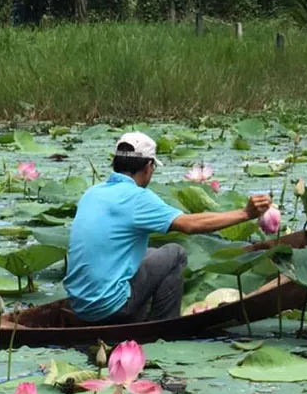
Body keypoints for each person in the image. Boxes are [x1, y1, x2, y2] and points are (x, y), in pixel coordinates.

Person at [63, 132, 272, 324]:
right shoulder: (137, 197)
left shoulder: (91, 193)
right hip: (109, 307)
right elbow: (189, 225)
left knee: (151, 252)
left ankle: (136, 316)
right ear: (148, 167)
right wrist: (245, 214)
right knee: (175, 254)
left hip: (79, 306)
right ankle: (162, 326)